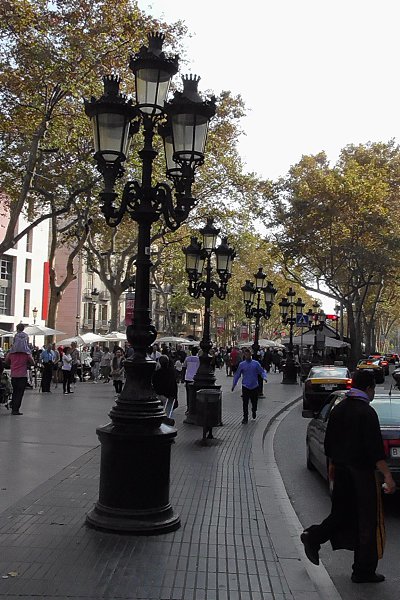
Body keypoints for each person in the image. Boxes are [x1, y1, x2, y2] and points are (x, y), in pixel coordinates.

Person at [300, 370, 396, 583]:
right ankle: (363, 570)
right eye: (373, 389)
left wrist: (333, 466)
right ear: (369, 388)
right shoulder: (367, 413)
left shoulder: (339, 408)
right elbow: (375, 451)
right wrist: (388, 476)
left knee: (341, 513)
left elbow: (329, 443)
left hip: (341, 471)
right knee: (366, 521)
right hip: (361, 475)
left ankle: (313, 536)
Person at [231, 347, 268, 424]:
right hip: (245, 386)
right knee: (245, 402)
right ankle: (245, 417)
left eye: (249, 354)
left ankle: (254, 410)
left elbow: (261, 371)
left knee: (254, 402)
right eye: (246, 355)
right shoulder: (242, 364)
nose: (247, 356)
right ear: (244, 355)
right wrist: (234, 384)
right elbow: (237, 375)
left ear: (251, 355)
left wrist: (264, 377)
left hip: (254, 386)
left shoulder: (256, 363)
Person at [5, 342, 34, 415]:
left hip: (14, 375)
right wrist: (26, 363)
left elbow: (6, 361)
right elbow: (32, 362)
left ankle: (13, 406)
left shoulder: (11, 353)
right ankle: (15, 409)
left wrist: (12, 364)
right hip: (22, 375)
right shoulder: (26, 354)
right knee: (19, 393)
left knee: (15, 392)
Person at [152, 354, 178, 426]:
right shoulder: (172, 372)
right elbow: (173, 385)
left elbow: (154, 384)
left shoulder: (157, 373)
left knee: (159, 413)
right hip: (170, 396)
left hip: (160, 395)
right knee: (168, 413)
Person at [183, 347, 200, 414]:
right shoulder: (199, 359)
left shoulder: (187, 359)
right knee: (196, 394)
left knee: (188, 394)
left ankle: (189, 408)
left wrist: (183, 378)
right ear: (197, 352)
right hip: (196, 378)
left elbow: (184, 367)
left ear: (191, 352)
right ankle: (195, 408)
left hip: (188, 378)